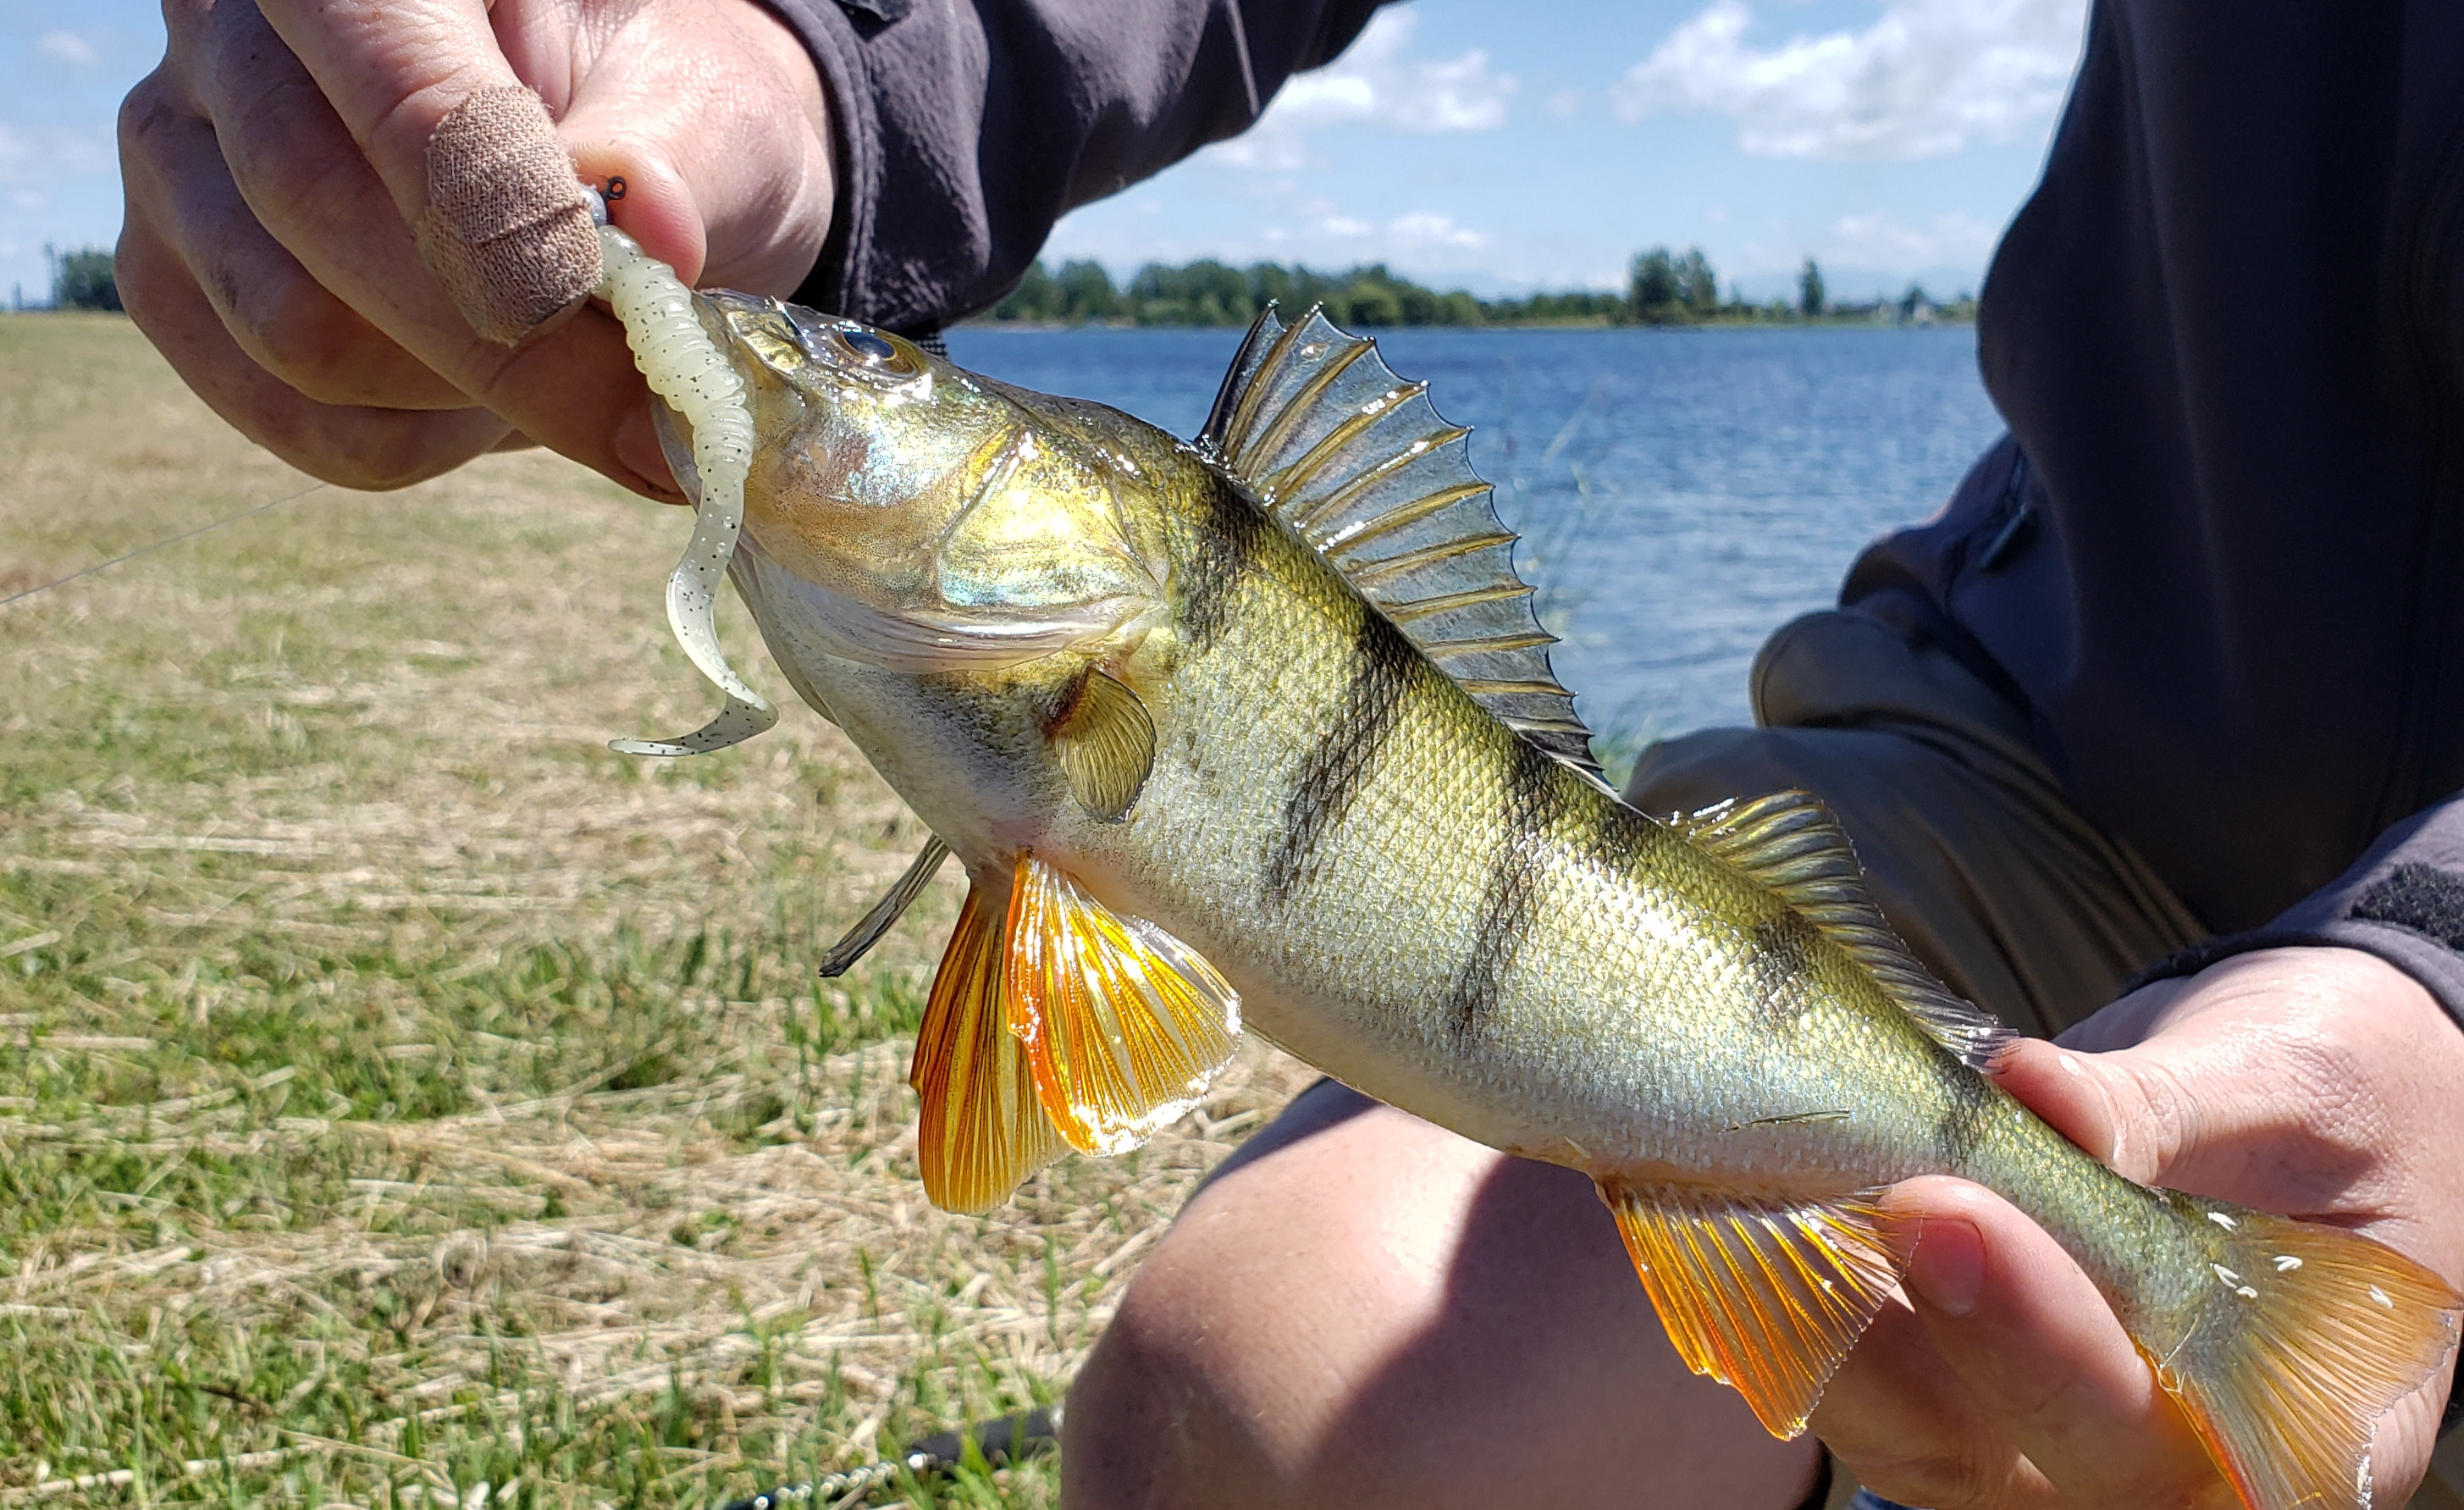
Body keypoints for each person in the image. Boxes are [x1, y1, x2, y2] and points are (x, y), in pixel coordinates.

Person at [118, 3, 2464, 1506]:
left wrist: (2432, 976)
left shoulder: (1110, 656)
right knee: (1235, 1404)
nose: (817, 387)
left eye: (885, 387)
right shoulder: (1061, 672)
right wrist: (807, 58)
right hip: (2048, 724)